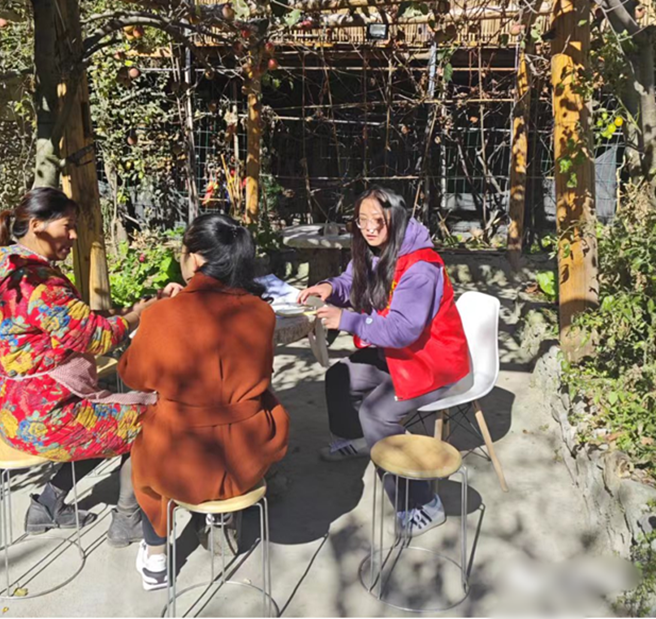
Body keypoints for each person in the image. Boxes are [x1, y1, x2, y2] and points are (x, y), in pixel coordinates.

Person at [0, 187, 160, 547]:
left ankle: (47, 505)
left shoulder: (8, 269)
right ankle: (127, 519)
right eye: (69, 225)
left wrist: (130, 310)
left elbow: (72, 320)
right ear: (37, 225)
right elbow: (95, 336)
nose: (75, 235)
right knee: (152, 420)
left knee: (104, 424)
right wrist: (143, 313)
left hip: (12, 412)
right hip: (47, 418)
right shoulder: (38, 282)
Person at [118, 214, 290, 591]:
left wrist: (158, 318)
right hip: (248, 456)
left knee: (144, 465)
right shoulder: (262, 312)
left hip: (181, 463)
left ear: (194, 259)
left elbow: (133, 375)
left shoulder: (162, 314)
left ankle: (156, 557)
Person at [298, 186, 470, 537]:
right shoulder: (375, 251)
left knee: (376, 413)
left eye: (378, 219)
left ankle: (422, 504)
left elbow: (402, 330)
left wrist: (346, 320)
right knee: (340, 377)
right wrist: (329, 288)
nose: (369, 228)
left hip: (433, 361)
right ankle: (360, 440)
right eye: (362, 220)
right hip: (398, 355)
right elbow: (351, 280)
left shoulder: (420, 267)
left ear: (397, 218)